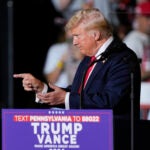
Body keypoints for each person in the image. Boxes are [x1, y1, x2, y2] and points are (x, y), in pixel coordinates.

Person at [13, 8, 141, 150]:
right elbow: (77, 93)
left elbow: (109, 101)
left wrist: (66, 98)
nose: (74, 42)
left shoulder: (123, 58)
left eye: (77, 36)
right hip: (86, 138)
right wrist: (42, 88)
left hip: (114, 139)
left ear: (95, 35)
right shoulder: (89, 59)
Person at [123, 1, 150, 119]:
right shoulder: (133, 40)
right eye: (148, 17)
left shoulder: (145, 38)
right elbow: (132, 73)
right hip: (140, 100)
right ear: (139, 18)